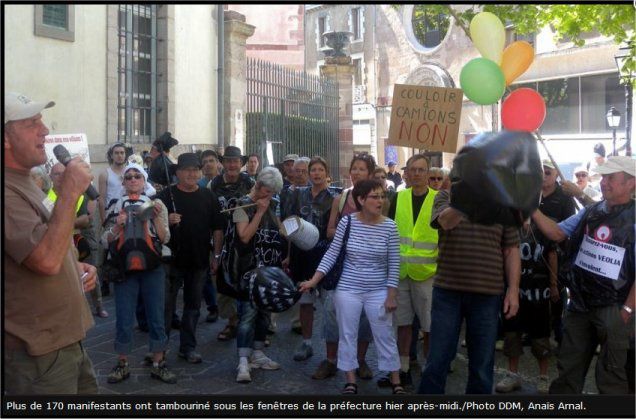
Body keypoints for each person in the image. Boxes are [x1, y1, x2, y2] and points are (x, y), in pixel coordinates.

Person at [4, 91, 98, 394]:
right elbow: (44, 261)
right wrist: (70, 192)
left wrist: (74, 263)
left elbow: (46, 241)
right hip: (38, 355)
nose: (45, 130)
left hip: (65, 343)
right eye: (32, 123)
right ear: (6, 139)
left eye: (42, 121)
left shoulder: (26, 181)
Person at [531, 156, 635, 394]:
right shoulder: (591, 211)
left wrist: (627, 312)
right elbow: (557, 233)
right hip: (580, 304)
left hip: (614, 307)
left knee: (611, 376)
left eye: (611, 178)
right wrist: (532, 210)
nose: (604, 183)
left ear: (631, 183)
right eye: (603, 177)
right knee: (567, 371)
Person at [300, 179, 404, 395]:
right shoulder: (347, 223)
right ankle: (350, 380)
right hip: (348, 289)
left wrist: (391, 295)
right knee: (347, 334)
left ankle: (396, 380)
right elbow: (332, 253)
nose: (380, 201)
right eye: (375, 197)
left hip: (378, 290)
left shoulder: (390, 227)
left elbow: (394, 263)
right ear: (361, 199)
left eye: (382, 196)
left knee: (385, 334)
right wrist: (314, 280)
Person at [418, 177, 521, 394]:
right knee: (437, 361)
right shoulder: (446, 196)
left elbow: (511, 250)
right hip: (448, 292)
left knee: (482, 367)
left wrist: (513, 290)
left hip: (487, 294)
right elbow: (446, 222)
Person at [101, 163, 176, 383]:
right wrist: (117, 227)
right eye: (128, 177)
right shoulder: (116, 205)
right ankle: (122, 363)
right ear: (123, 183)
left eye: (137, 176)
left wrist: (153, 217)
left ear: (144, 181)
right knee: (124, 317)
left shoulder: (156, 204)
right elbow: (105, 240)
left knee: (156, 316)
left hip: (152, 267)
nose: (133, 180)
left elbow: (165, 238)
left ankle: (158, 362)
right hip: (125, 269)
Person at [156, 153, 225, 364]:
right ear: (177, 173)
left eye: (195, 170)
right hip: (171, 261)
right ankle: (160, 348)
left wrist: (216, 255)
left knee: (193, 307)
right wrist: (164, 219)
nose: (192, 173)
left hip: (199, 260)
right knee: (166, 307)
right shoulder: (166, 196)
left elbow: (218, 228)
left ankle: (188, 347)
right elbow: (148, 220)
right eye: (187, 170)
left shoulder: (208, 196)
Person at [314, 154, 375, 381]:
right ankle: (330, 360)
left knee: (365, 316)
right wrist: (348, 233)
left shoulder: (378, 199)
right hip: (340, 266)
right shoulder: (341, 199)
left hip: (367, 267)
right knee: (331, 311)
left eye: (362, 169)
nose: (357, 173)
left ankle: (360, 361)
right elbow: (329, 231)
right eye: (354, 169)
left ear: (369, 173)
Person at [387, 154, 438, 388]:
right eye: (413, 170)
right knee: (403, 324)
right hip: (401, 272)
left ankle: (429, 369)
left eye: (421, 170)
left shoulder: (439, 200)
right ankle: (404, 368)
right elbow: (388, 232)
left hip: (428, 273)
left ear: (427, 173)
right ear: (406, 173)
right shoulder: (398, 198)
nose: (416, 174)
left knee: (429, 327)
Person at [232, 167, 286, 383]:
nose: (270, 196)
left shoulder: (273, 204)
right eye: (268, 191)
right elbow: (244, 236)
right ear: (259, 185)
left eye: (273, 193)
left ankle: (258, 353)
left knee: (264, 313)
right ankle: (243, 361)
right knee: (247, 315)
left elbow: (278, 230)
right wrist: (260, 212)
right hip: (247, 269)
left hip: (269, 269)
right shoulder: (240, 204)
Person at [283, 157, 337, 362]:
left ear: (326, 173)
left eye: (319, 170)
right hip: (301, 255)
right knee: (305, 301)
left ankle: (331, 351)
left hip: (325, 255)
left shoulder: (335, 197)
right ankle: (306, 343)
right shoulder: (298, 195)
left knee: (329, 306)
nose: (315, 173)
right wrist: (288, 254)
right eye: (312, 170)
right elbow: (291, 226)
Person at [495, 220, 558, 394]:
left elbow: (552, 255)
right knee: (512, 333)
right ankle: (512, 375)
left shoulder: (544, 227)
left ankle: (543, 377)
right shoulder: (509, 225)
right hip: (514, 293)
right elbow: (503, 254)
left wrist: (553, 285)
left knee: (541, 336)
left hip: (539, 293)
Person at [49, 163, 109, 319]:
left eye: (64, 173)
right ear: (50, 177)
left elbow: (85, 220)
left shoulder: (79, 195)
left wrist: (61, 221)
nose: (61, 177)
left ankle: (99, 305)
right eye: (56, 174)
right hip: (57, 241)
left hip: (77, 239)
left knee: (90, 272)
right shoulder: (45, 196)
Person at [211, 146, 255, 341]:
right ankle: (232, 322)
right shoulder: (214, 184)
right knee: (223, 284)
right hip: (222, 237)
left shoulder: (250, 182)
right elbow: (210, 212)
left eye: (235, 161)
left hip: (247, 239)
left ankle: (252, 326)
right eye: (228, 160)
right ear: (223, 163)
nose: (231, 165)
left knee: (249, 283)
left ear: (241, 163)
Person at [538, 160, 576, 345]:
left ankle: (560, 334)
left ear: (555, 175)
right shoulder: (531, 195)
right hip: (533, 254)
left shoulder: (564, 198)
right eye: (541, 171)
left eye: (548, 172)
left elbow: (568, 229)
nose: (544, 175)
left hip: (557, 254)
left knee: (557, 296)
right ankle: (535, 332)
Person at [198, 149, 221, 323]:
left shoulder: (224, 182)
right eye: (204, 161)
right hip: (205, 233)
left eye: (211, 160)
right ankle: (213, 306)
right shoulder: (198, 184)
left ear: (218, 163)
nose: (208, 164)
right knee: (206, 271)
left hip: (225, 231)